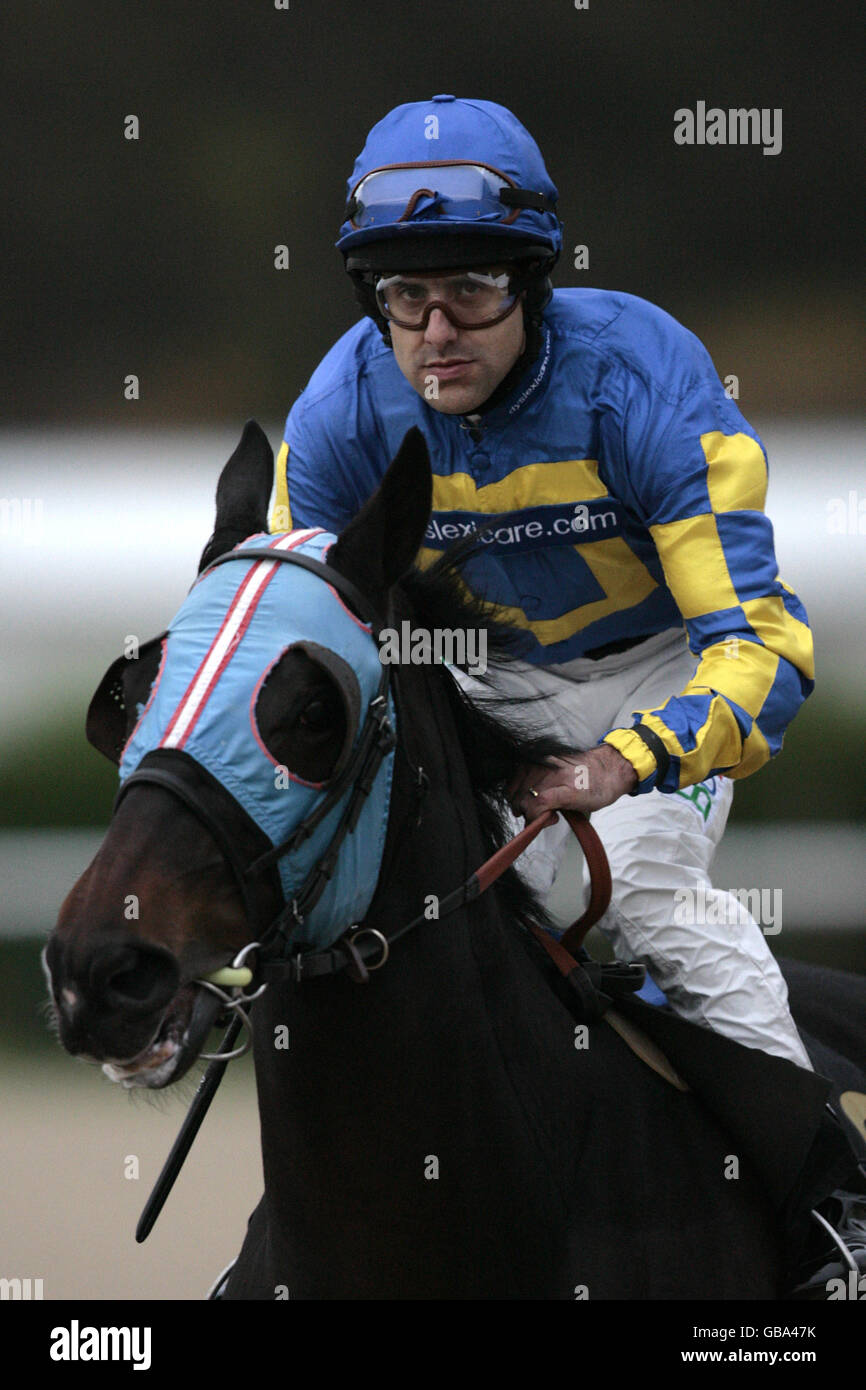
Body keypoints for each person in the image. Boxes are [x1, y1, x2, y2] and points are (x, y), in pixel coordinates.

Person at [270, 94, 865, 1292]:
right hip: (475, 689)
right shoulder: (339, 415)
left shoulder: (639, 370)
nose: (436, 330)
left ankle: (834, 1206)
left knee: (639, 895)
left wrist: (625, 761)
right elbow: (286, 638)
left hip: (657, 678)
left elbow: (758, 642)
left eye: (471, 291)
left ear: (532, 280)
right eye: (401, 296)